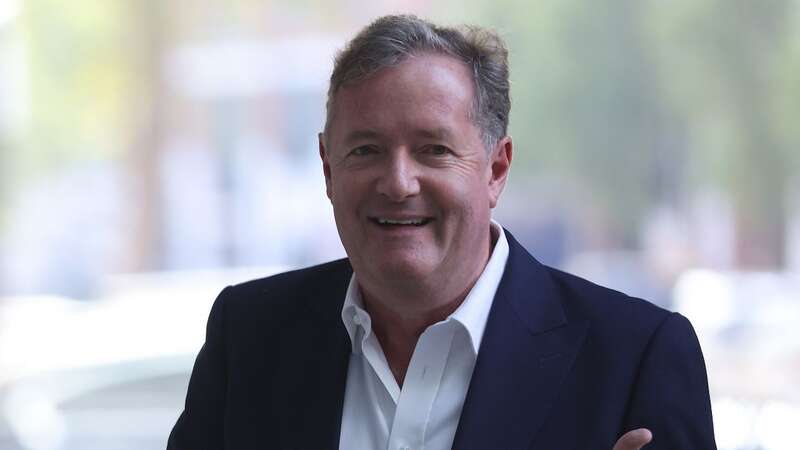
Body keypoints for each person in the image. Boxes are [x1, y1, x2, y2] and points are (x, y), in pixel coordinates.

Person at [168, 15, 716, 450]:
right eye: (366, 150)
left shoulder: (635, 359)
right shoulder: (249, 339)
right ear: (328, 169)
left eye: (434, 150)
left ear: (496, 169)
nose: (399, 182)